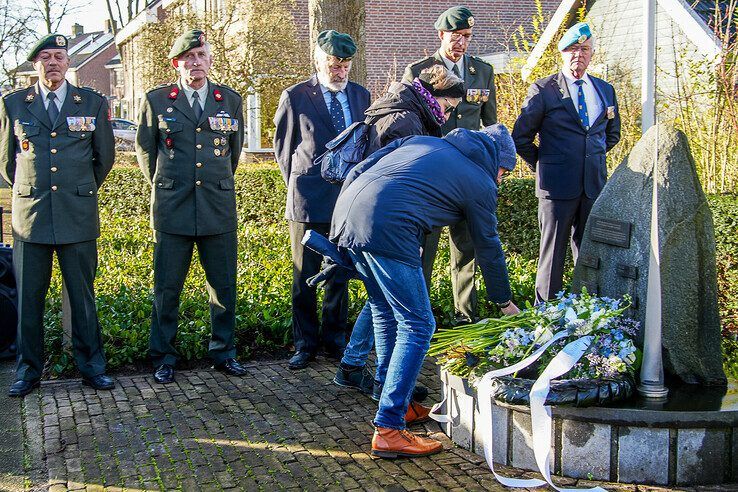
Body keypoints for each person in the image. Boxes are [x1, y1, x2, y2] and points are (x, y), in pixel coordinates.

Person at [330, 125, 520, 458]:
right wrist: (504, 301)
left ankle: (397, 404)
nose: (502, 180)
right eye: (505, 171)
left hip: (348, 214)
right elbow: (487, 244)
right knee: (419, 325)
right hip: (388, 227)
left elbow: (361, 168)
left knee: (385, 312)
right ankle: (389, 427)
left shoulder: (421, 141)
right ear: (497, 161)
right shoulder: (481, 181)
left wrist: (355, 216)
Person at [333, 64, 464, 402]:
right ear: (433, 95)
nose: (447, 117)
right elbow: (394, 184)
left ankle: (357, 367)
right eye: (447, 107)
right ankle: (384, 383)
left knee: (382, 297)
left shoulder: (405, 110)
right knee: (395, 305)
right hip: (388, 226)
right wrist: (407, 239)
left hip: (373, 221)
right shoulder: (405, 121)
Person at [0, 34, 116, 396]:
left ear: (68, 63)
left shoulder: (92, 103)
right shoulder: (15, 104)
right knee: (29, 298)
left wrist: (78, 188)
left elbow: (104, 157)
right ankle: (28, 371)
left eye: (59, 57)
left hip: (77, 214)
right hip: (30, 218)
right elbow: (7, 162)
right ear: (35, 64)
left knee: (82, 296)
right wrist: (29, 190)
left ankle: (91, 366)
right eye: (46, 57)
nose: (53, 63)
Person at [135, 30, 246, 384]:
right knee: (167, 288)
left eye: (200, 55)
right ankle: (164, 355)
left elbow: (234, 153)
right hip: (172, 207)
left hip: (217, 206)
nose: (195, 63)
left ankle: (224, 352)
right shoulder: (156, 100)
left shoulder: (229, 100)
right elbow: (146, 154)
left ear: (210, 60)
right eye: (188, 57)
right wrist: (169, 185)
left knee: (224, 287)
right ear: (176, 64)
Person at [273, 30, 371, 370]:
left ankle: (335, 339)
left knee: (340, 272)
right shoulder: (296, 95)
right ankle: (305, 343)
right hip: (307, 198)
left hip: (347, 200)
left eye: (345, 65)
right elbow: (284, 150)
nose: (340, 71)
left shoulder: (361, 96)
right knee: (305, 275)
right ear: (319, 60)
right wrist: (300, 185)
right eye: (334, 64)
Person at [512, 22, 621, 303]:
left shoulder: (605, 90)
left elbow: (611, 135)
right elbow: (521, 138)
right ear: (562, 54)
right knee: (553, 256)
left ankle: (589, 312)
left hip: (593, 186)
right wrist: (545, 165)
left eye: (584, 49)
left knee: (591, 255)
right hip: (555, 188)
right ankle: (546, 315)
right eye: (572, 49)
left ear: (592, 53)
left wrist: (590, 159)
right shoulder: (544, 89)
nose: (578, 55)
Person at [403, 6, 498, 324]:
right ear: (441, 35)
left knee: (466, 248)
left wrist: (494, 167)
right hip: (429, 177)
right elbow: (408, 125)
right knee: (423, 250)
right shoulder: (419, 71)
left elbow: (491, 126)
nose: (461, 43)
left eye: (467, 37)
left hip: (467, 175)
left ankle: (465, 318)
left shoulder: (482, 72)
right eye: (455, 36)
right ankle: (418, 317)